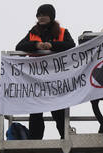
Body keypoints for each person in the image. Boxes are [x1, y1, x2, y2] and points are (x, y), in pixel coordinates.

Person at [15, 4, 75, 139]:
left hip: (56, 79)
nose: (41, 17)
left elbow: (71, 45)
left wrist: (52, 45)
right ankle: (34, 141)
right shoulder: (33, 32)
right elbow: (19, 47)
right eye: (39, 15)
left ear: (51, 16)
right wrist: (36, 45)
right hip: (37, 80)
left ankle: (65, 138)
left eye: (44, 14)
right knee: (36, 112)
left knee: (58, 112)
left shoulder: (62, 32)